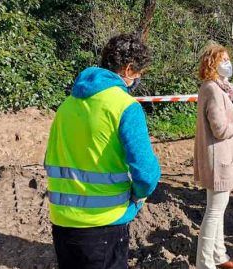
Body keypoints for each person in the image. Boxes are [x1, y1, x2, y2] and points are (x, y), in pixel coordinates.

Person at [44, 34, 162, 269]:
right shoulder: (125, 106)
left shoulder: (67, 105)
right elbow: (147, 174)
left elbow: (50, 158)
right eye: (138, 72)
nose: (138, 77)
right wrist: (138, 196)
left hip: (63, 222)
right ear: (128, 69)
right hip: (104, 225)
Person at [194, 45, 233, 269]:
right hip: (218, 158)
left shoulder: (216, 88)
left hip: (219, 157)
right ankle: (205, 263)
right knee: (214, 213)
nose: (228, 63)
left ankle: (219, 256)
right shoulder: (213, 90)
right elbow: (220, 129)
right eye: (223, 59)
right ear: (212, 63)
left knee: (217, 209)